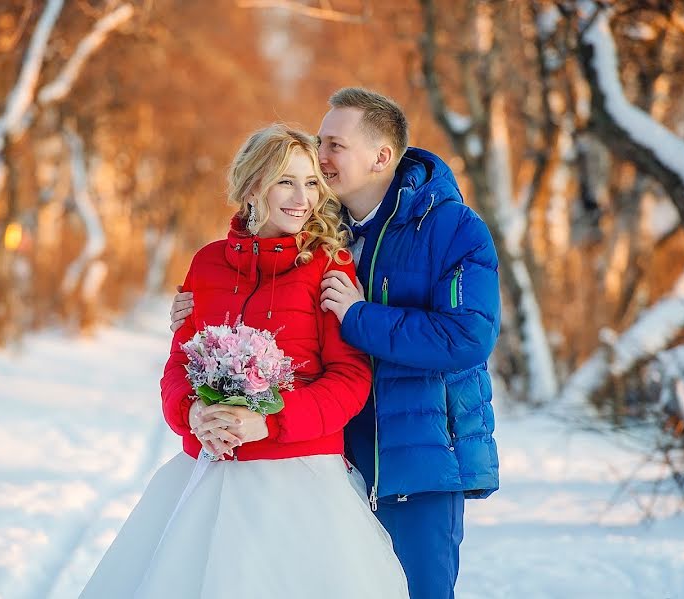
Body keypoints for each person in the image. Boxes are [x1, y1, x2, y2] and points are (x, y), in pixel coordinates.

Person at [171, 88, 501, 599]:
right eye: (318, 145)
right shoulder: (325, 232)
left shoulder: (453, 228)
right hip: (329, 458)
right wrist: (196, 318)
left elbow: (467, 336)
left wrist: (359, 316)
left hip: (416, 457)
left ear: (380, 156)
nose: (319, 159)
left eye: (333, 145)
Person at [80, 124, 410, 599]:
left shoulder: (327, 266)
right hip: (208, 477)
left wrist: (269, 421)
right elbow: (179, 364)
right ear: (254, 185)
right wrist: (192, 414)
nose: (302, 197)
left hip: (299, 481)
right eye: (286, 181)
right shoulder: (208, 264)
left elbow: (351, 378)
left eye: (312, 182)